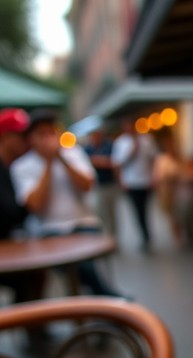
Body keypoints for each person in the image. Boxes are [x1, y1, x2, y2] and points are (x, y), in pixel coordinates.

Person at [10, 108, 123, 297]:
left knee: (83, 259)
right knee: (77, 263)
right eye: (41, 134)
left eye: (51, 132)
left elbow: (86, 185)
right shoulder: (22, 166)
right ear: (30, 139)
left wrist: (60, 158)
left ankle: (101, 298)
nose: (48, 138)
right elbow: (35, 205)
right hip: (47, 230)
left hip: (83, 223)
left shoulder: (73, 154)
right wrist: (47, 163)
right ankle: (105, 296)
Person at [0, 107, 46, 303]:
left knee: (35, 273)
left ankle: (32, 329)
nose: (27, 141)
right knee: (31, 275)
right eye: (21, 136)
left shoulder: (13, 167)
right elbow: (10, 213)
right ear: (5, 137)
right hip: (5, 251)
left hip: (10, 247)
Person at [112, 117, 157, 251]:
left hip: (146, 181)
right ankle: (145, 236)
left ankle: (147, 235)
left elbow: (153, 159)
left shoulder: (147, 140)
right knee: (137, 211)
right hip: (131, 183)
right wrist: (121, 182)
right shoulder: (120, 143)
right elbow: (117, 164)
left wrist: (153, 177)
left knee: (145, 210)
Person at [152, 127, 185, 247]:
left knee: (182, 213)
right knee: (173, 216)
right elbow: (157, 177)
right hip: (169, 192)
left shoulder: (180, 157)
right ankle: (177, 238)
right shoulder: (162, 159)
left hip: (181, 191)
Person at [84, 127, 118, 237]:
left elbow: (114, 162)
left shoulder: (109, 145)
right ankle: (104, 237)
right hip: (96, 186)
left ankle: (113, 237)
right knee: (100, 214)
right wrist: (102, 161)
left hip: (110, 184)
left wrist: (97, 161)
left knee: (112, 213)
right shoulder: (87, 148)